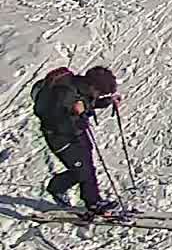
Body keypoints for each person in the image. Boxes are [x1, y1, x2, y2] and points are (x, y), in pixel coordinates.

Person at [32, 64, 119, 214]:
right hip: (60, 138)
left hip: (76, 133)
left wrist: (106, 102)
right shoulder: (65, 93)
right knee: (82, 169)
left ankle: (91, 200)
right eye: (100, 93)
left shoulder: (81, 88)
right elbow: (53, 119)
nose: (99, 95)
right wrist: (75, 118)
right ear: (92, 85)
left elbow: (86, 103)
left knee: (87, 167)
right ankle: (85, 199)